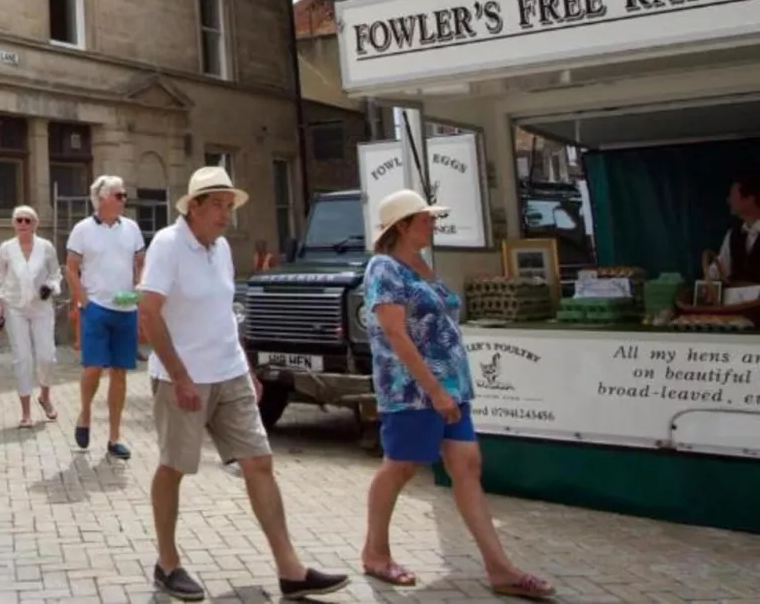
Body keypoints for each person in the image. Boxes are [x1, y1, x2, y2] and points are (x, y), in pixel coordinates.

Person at [137, 167, 347, 602]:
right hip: (183, 379)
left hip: (228, 372)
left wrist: (247, 368)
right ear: (193, 206)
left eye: (229, 207)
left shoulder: (221, 249)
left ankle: (290, 569)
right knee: (173, 469)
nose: (226, 215)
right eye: (217, 205)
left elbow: (225, 316)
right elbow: (149, 313)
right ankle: (167, 563)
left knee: (259, 463)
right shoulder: (168, 245)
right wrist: (180, 376)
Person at [361, 189, 553, 599]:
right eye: (426, 219)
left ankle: (500, 569)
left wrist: (447, 389)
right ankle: (375, 553)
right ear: (402, 225)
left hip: (449, 388)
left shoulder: (421, 264)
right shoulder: (384, 268)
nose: (433, 225)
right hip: (413, 391)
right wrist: (433, 390)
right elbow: (395, 333)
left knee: (467, 465)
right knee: (400, 467)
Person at [66, 174, 146, 459]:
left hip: (126, 306)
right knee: (93, 367)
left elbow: (141, 262)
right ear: (102, 199)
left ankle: (114, 438)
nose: (124, 199)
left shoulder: (132, 228)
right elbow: (71, 267)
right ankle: (85, 414)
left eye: (124, 195)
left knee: (120, 372)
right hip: (96, 306)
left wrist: (138, 289)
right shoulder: (82, 229)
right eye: (119, 195)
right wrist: (83, 299)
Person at [0, 204, 62, 428]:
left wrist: (51, 287)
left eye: (27, 221)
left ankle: (45, 397)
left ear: (35, 224)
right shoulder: (6, 248)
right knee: (23, 358)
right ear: (13, 223)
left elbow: (56, 274)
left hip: (41, 306)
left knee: (46, 355)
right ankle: (26, 412)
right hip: (15, 307)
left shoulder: (46, 247)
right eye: (18, 220)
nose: (22, 224)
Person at [702, 176, 760, 283]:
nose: (728, 201)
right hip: (738, 299)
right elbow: (721, 267)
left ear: (750, 199)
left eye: (733, 196)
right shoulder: (733, 235)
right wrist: (707, 282)